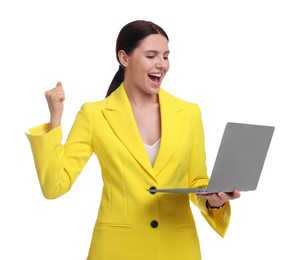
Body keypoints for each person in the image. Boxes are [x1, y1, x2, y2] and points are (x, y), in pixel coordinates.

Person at [26, 20, 240, 260]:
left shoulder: (189, 113)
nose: (162, 64)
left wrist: (213, 202)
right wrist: (55, 120)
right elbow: (55, 186)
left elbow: (197, 181)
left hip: (178, 248)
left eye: (166, 56)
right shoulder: (95, 115)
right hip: (117, 250)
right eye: (151, 56)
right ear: (124, 58)